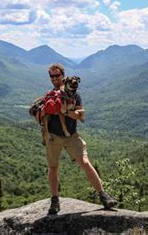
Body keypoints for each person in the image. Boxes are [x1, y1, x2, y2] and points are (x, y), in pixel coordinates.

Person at [41, 63, 116, 214]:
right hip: (53, 136)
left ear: (63, 76)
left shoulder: (74, 95)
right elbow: (42, 115)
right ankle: (54, 201)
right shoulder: (49, 95)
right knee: (53, 168)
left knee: (85, 162)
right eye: (52, 76)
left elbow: (80, 115)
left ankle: (103, 195)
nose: (54, 78)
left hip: (71, 135)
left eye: (57, 75)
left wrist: (65, 111)